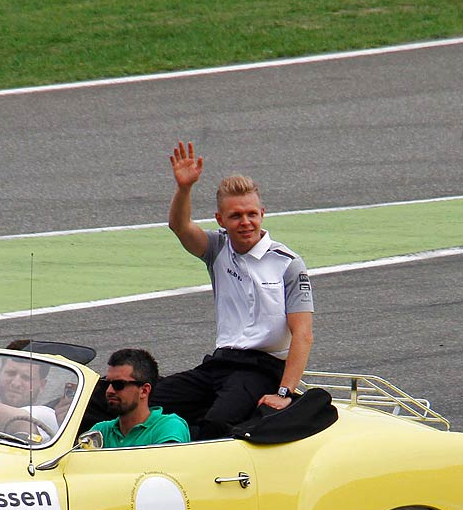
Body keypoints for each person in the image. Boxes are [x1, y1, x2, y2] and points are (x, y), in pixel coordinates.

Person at [152, 141, 315, 439]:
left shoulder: (288, 263)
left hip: (261, 370)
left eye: (251, 214)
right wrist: (184, 188)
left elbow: (303, 334)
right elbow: (179, 225)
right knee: (146, 402)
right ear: (221, 220)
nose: (245, 222)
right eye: (236, 216)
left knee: (217, 424)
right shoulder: (216, 248)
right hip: (219, 363)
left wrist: (285, 392)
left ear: (262, 213)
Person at [87, 349, 190, 448]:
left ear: (144, 391)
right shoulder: (100, 431)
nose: (109, 391)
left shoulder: (168, 427)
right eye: (107, 384)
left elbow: (164, 463)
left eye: (118, 384)